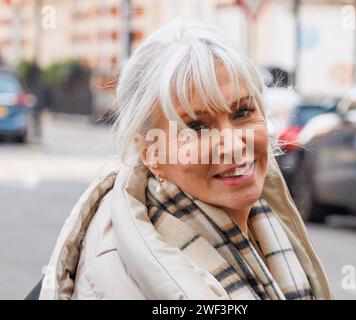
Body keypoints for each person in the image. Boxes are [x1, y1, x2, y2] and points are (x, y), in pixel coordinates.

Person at [38, 19, 333, 300]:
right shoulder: (117, 277)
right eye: (197, 127)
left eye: (242, 112)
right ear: (151, 153)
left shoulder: (264, 219)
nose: (232, 144)